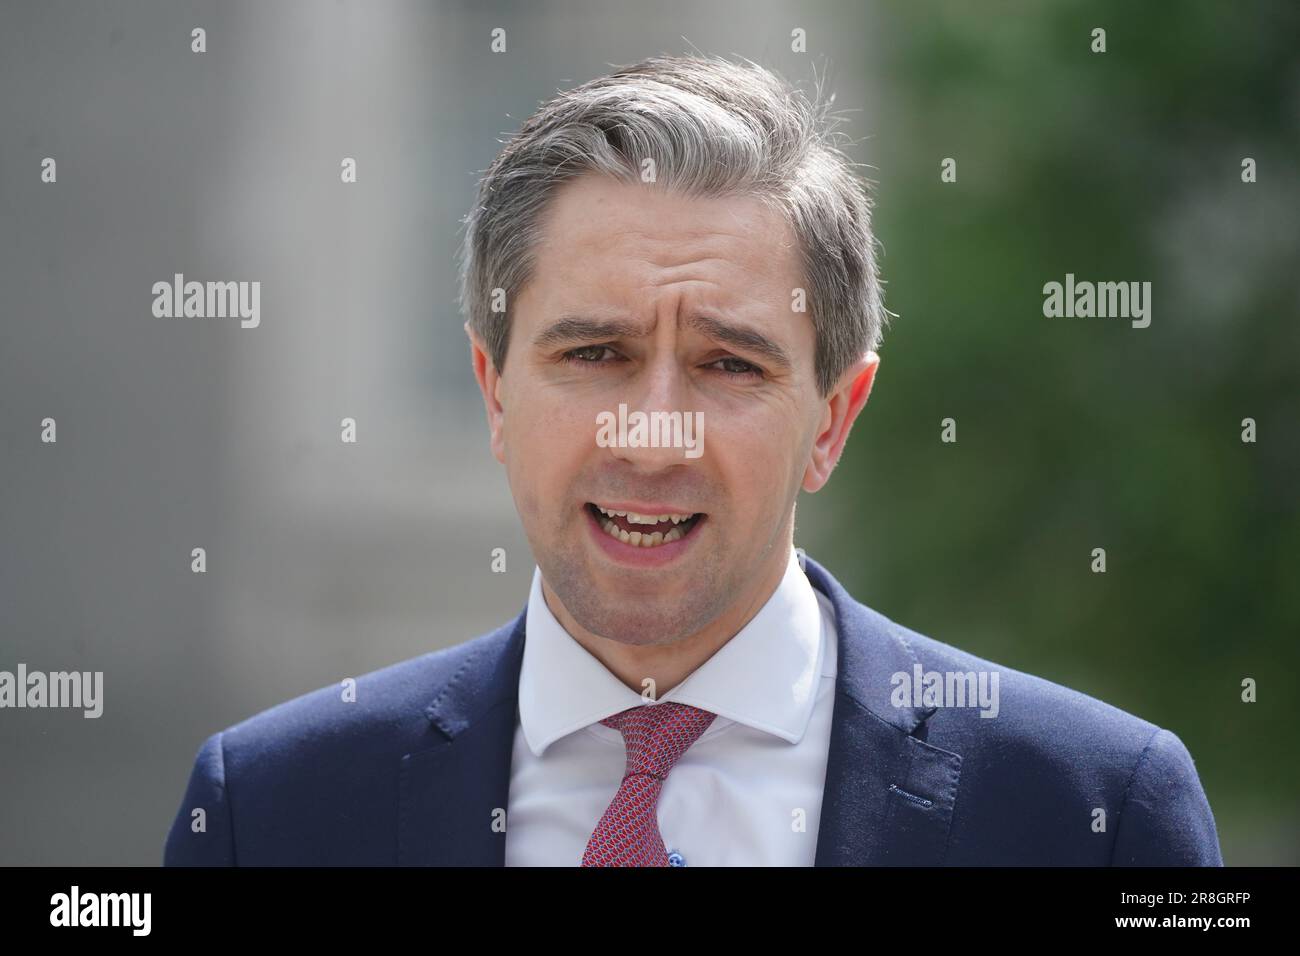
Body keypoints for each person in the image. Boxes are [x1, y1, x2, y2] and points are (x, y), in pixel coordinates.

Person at [164, 54, 1221, 866]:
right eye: (593, 353)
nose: (651, 430)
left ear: (832, 419)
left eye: (727, 364)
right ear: (493, 390)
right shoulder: (272, 809)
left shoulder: (1089, 811)